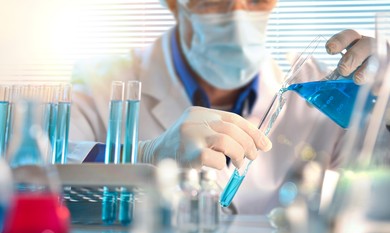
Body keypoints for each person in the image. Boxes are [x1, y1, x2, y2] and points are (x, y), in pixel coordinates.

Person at [69, 0, 375, 214]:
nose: (239, 13)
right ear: (174, 3)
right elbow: (37, 171)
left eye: (257, 0)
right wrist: (143, 155)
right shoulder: (103, 82)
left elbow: (375, 193)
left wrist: (383, 109)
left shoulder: (327, 90)